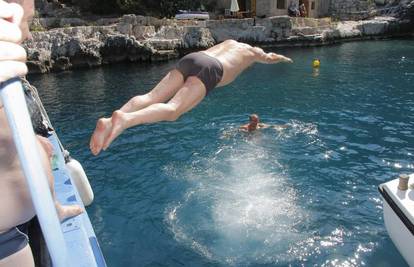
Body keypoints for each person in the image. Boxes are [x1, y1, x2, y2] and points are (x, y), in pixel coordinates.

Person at [90, 40, 293, 155]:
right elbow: (270, 57)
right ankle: (125, 120)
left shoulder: (230, 42)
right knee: (172, 111)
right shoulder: (252, 51)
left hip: (193, 58)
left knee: (150, 96)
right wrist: (283, 58)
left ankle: (109, 121)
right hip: (212, 69)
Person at [0, 1, 82, 266]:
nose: (31, 34)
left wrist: (34, 145)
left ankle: (55, 209)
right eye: (29, 21)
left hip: (25, 219)